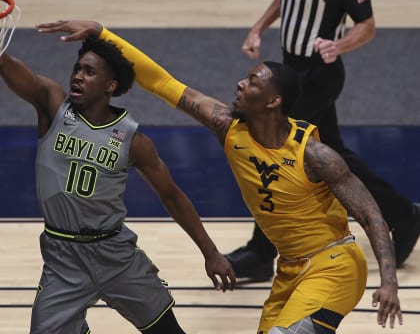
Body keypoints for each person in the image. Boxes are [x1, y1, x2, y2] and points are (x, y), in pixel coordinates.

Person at [36, 20, 403, 332]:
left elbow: (371, 214)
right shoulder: (228, 127)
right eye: (245, 79)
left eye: (253, 83)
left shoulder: (316, 155)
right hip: (289, 270)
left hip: (334, 265)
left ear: (273, 101)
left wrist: (389, 283)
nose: (241, 85)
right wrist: (102, 33)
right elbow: (162, 82)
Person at [0, 0, 235, 334]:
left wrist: (210, 252)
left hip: (115, 254)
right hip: (62, 258)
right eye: (77, 69)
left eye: (89, 72)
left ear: (110, 86)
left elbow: (173, 197)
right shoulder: (51, 104)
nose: (78, 76)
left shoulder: (133, 138)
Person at [234, 0, 420, 281]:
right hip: (290, 69)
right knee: (336, 154)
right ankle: (404, 213)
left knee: (274, 144)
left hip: (318, 77)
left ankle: (259, 251)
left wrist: (339, 44)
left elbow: (367, 26)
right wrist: (258, 27)